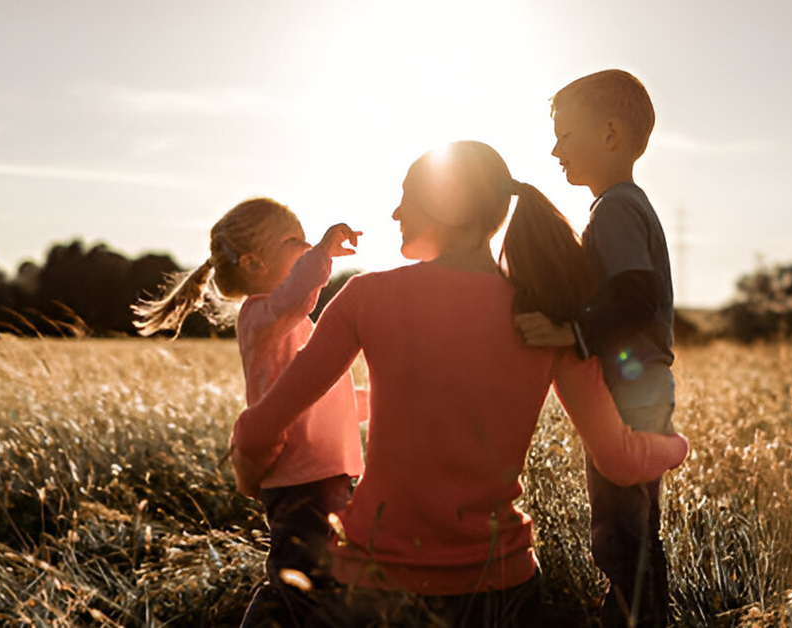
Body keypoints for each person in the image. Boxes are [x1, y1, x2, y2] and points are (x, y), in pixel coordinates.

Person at [233, 141, 689, 627]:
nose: (394, 211)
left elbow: (259, 430)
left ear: (446, 202)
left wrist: (249, 478)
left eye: (406, 196)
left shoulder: (365, 298)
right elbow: (619, 461)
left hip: (374, 587)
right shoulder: (544, 318)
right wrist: (676, 447)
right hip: (501, 590)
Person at [132, 198, 365, 628]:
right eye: (295, 241)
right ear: (256, 264)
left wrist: (381, 399)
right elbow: (296, 296)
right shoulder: (261, 316)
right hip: (299, 479)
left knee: (315, 583)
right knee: (301, 584)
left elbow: (327, 396)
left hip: (323, 475)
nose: (307, 245)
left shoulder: (289, 322)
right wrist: (324, 253)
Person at [514, 69, 676, 628]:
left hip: (632, 386)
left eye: (565, 135)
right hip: (640, 383)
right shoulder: (622, 205)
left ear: (609, 134)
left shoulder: (616, 210)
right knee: (633, 528)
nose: (554, 149)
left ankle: (633, 620)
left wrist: (571, 334)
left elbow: (637, 296)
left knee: (620, 531)